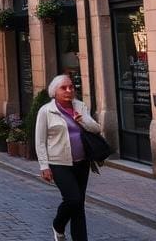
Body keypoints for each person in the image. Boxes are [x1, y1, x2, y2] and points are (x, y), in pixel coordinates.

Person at [36, 74, 102, 241]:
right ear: (54, 92)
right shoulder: (46, 111)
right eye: (63, 88)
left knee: (79, 205)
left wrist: (83, 120)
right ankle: (58, 225)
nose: (68, 90)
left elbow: (96, 128)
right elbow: (40, 141)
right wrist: (44, 166)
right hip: (59, 163)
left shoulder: (80, 106)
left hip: (82, 162)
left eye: (71, 87)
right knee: (73, 199)